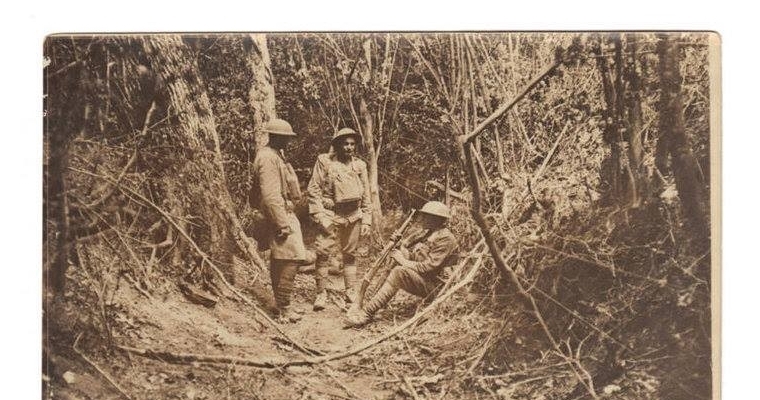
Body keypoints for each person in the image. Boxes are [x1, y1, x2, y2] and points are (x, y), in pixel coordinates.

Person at [345, 201, 458, 327]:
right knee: (397, 259)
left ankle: (366, 313)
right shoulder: (431, 233)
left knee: (399, 272)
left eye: (427, 216)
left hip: (439, 288)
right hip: (428, 280)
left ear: (437, 219)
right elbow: (417, 258)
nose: (422, 219)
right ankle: (368, 299)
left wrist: (402, 260)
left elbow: (427, 267)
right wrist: (400, 248)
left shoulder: (446, 239)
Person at [307, 128, 372, 311]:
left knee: (350, 254)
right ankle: (321, 293)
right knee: (323, 252)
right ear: (337, 145)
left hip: (353, 215)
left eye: (352, 144)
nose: (349, 147)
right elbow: (313, 190)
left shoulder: (359, 166)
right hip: (330, 214)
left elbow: (366, 194)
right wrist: (319, 215)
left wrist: (367, 219)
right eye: (345, 144)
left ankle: (350, 291)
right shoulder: (325, 162)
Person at [251, 118, 309, 323]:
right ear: (275, 137)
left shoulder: (275, 155)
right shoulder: (268, 158)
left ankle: (281, 304)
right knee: (292, 257)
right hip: (278, 213)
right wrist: (281, 223)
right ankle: (285, 308)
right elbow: (270, 195)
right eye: (284, 138)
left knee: (281, 259)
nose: (287, 141)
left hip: (280, 212)